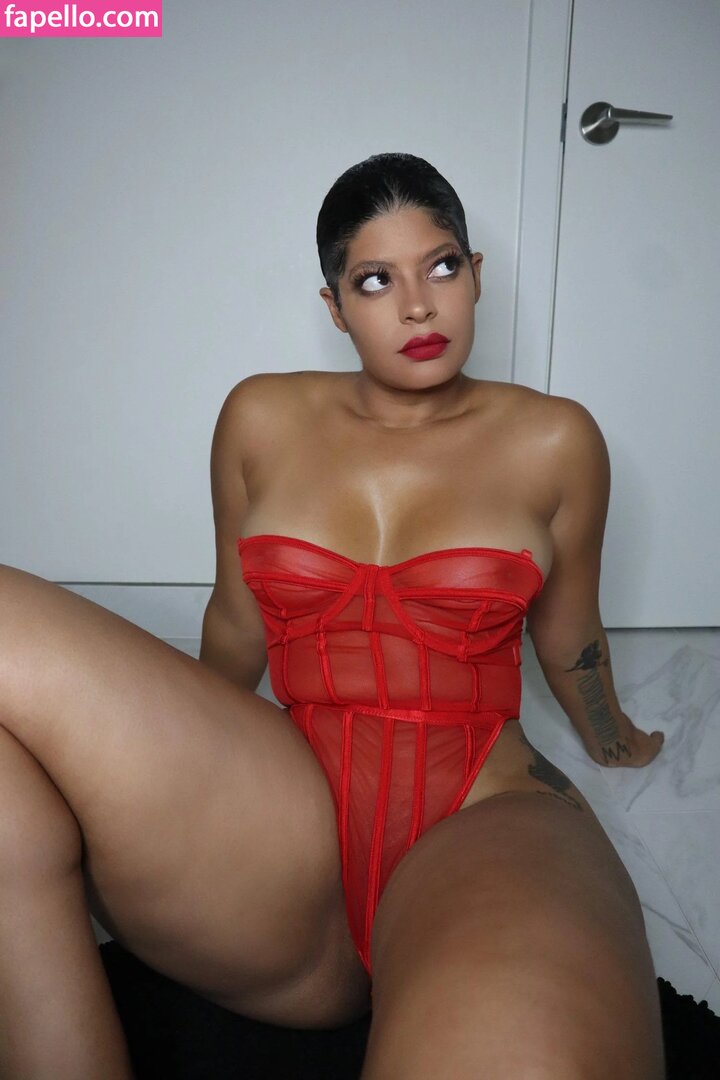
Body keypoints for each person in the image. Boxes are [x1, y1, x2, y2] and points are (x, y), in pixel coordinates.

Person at [0, 151, 666, 1079]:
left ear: (477, 275)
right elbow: (236, 621)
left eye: (441, 267)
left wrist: (613, 737)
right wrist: (175, 744)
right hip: (286, 813)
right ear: (336, 306)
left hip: (481, 811)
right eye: (375, 281)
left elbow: (569, 632)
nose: (418, 308)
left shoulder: (555, 439)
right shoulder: (260, 418)